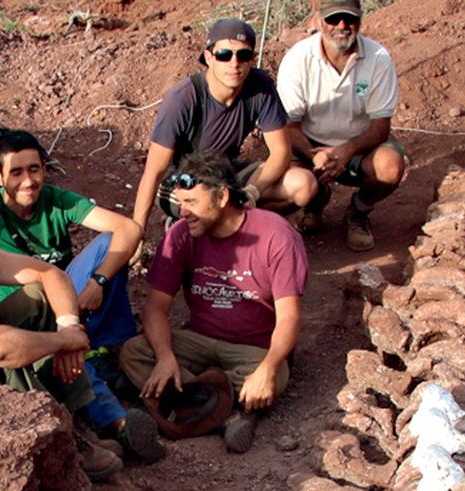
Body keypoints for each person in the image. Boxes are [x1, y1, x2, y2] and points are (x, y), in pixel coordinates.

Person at [0, 131, 164, 464]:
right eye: (16, 172)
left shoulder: (51, 202)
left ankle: (94, 357)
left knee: (98, 256)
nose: (28, 180)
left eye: (34, 169)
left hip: (55, 305)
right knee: (21, 342)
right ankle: (100, 424)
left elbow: (127, 231)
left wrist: (92, 290)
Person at [120, 150, 308, 453]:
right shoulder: (180, 235)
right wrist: (166, 356)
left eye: (192, 202)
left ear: (221, 197)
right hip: (198, 339)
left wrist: (269, 367)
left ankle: (173, 403)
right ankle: (227, 415)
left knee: (277, 374)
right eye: (181, 203)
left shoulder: (276, 235)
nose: (183, 212)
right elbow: (155, 307)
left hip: (252, 349)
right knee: (134, 352)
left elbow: (290, 318)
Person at [0, 181, 122, 480]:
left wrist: (69, 329)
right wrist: (62, 340)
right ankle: (60, 443)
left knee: (39, 296)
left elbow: (50, 274)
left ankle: (76, 420)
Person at [133, 18, 317, 243]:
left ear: (252, 58)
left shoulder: (260, 86)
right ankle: (189, 225)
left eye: (243, 55)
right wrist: (136, 234)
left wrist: (252, 191)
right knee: (216, 204)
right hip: (183, 180)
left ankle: (246, 231)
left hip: (226, 173)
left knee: (303, 185)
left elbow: (281, 153)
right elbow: (154, 172)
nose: (234, 63)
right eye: (224, 55)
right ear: (209, 57)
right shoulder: (182, 99)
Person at [276, 0, 405, 251]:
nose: (342, 26)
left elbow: (380, 126)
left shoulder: (378, 58)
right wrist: (317, 155)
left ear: (360, 18)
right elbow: (289, 126)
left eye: (349, 18)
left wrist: (346, 150)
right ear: (318, 19)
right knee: (285, 173)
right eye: (333, 19)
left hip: (358, 146)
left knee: (390, 166)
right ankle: (315, 200)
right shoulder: (298, 59)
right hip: (310, 145)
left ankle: (358, 212)